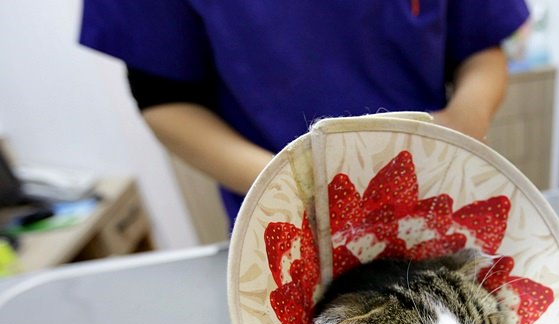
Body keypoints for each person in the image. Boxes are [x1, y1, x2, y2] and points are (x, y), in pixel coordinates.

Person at [80, 1, 530, 225]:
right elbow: (164, 99)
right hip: (286, 214)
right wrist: (304, 186)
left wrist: (463, 122)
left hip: (432, 199)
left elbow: (479, 47)